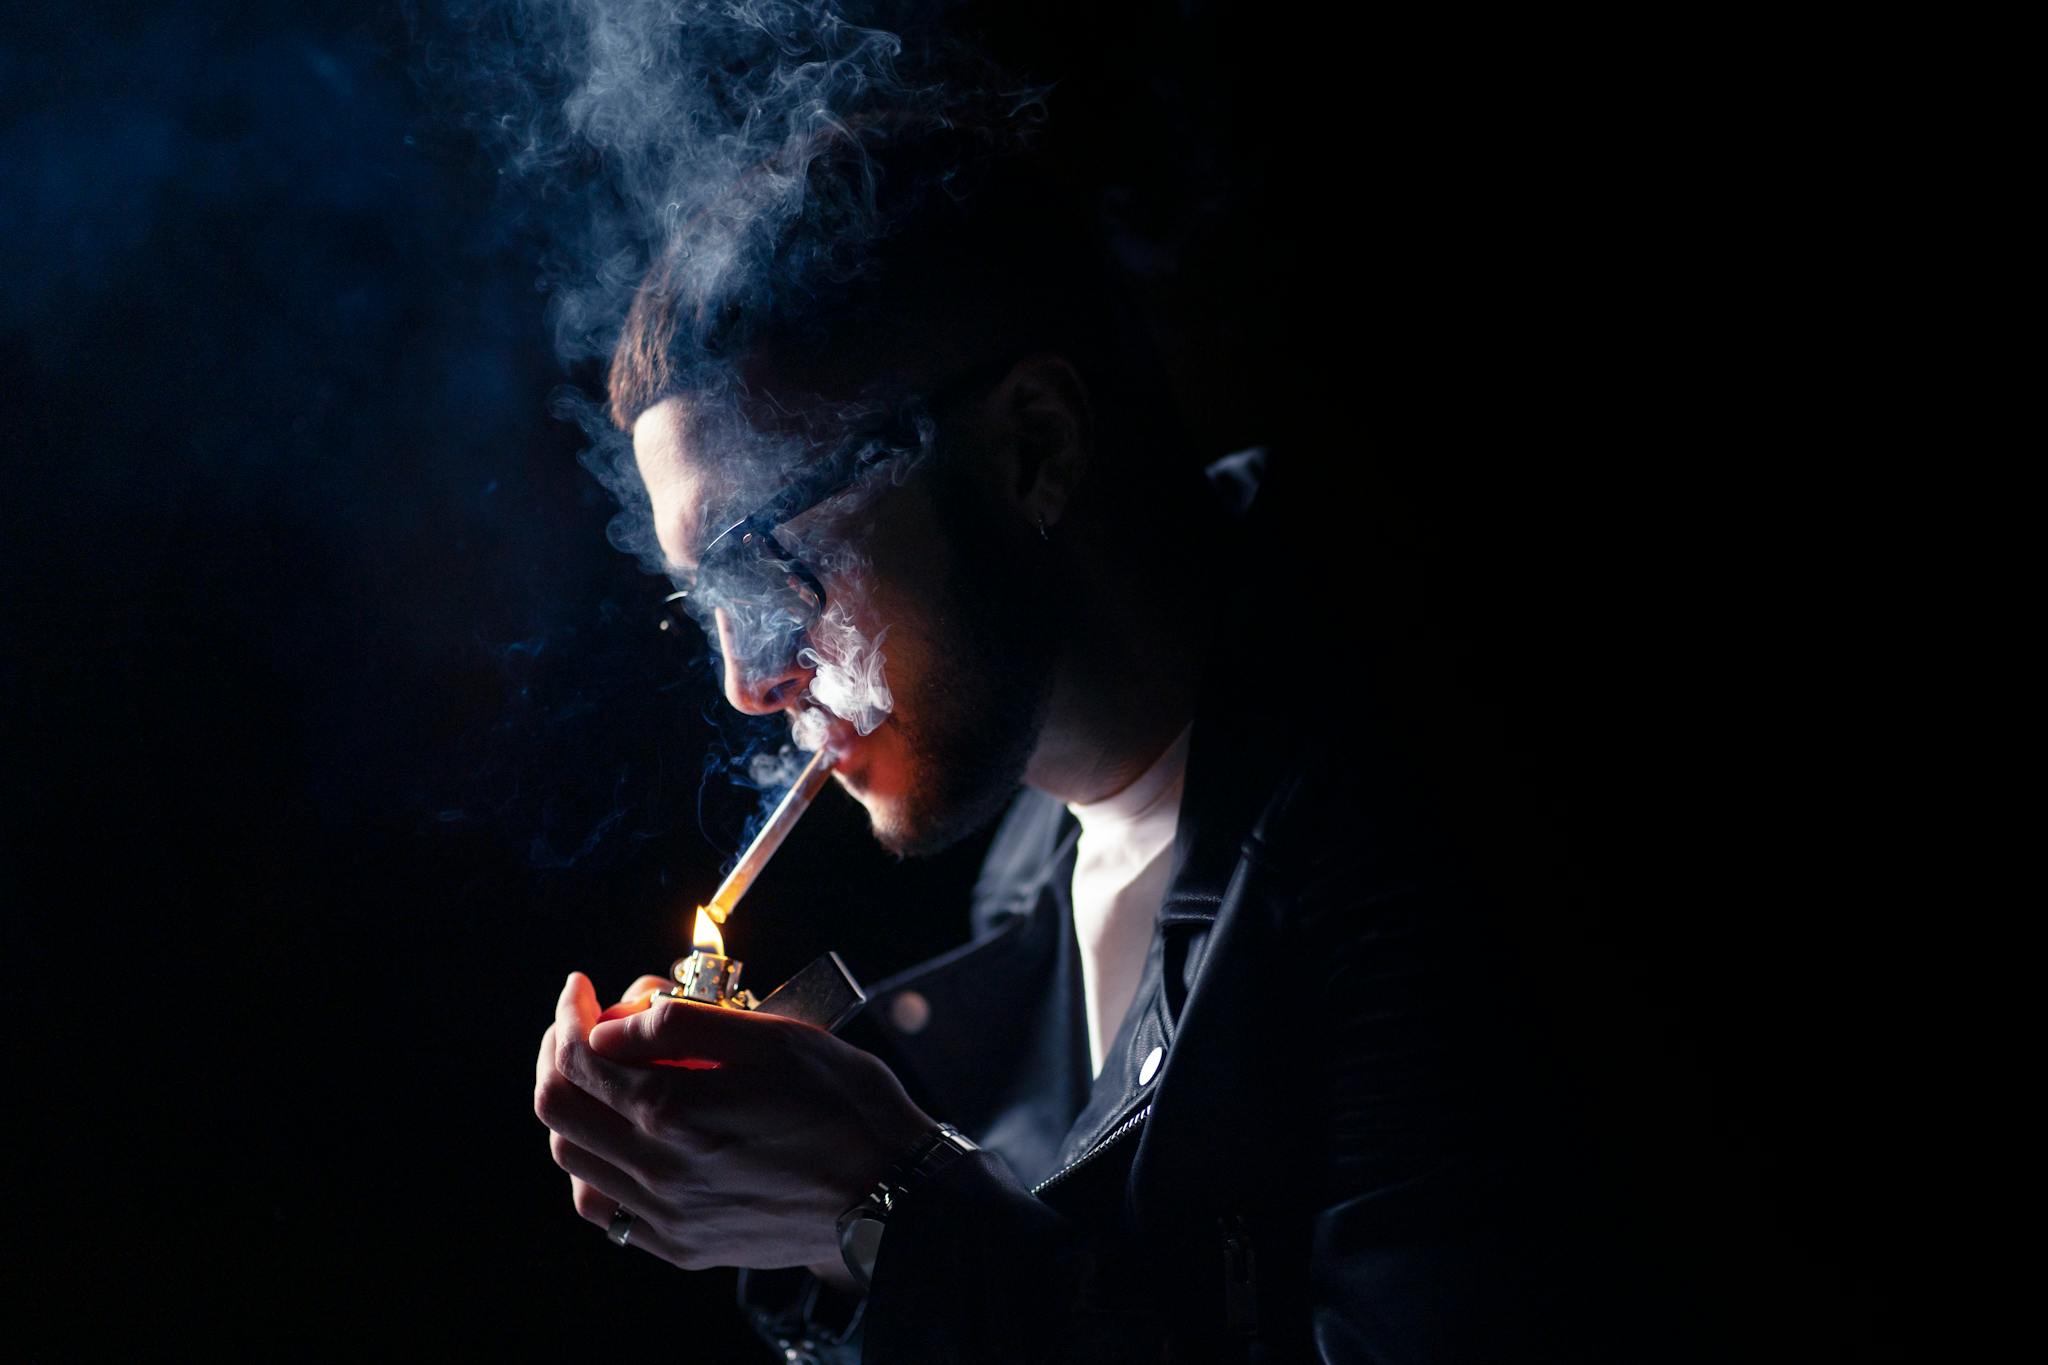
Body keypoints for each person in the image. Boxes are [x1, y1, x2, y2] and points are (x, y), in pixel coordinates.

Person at [531, 123, 1607, 1364]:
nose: (747, 680)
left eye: (766, 560)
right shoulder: (1037, 859)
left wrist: (891, 1206)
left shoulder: (1422, 818)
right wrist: (821, 1227)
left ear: (1029, 448)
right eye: (707, 598)